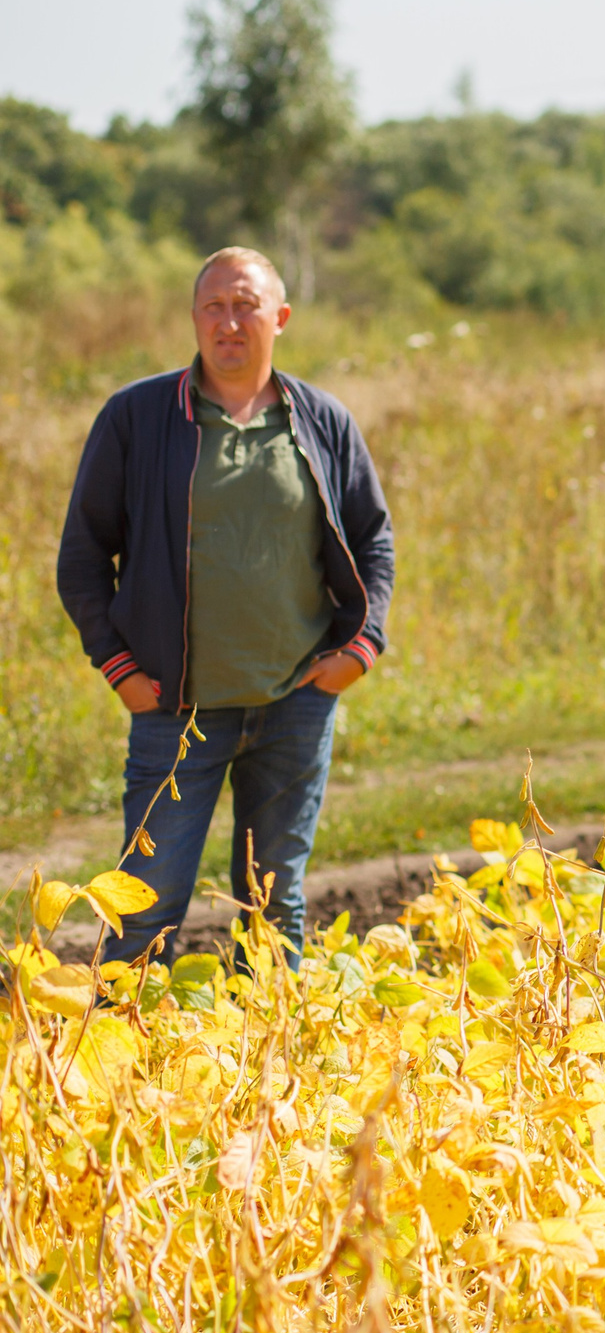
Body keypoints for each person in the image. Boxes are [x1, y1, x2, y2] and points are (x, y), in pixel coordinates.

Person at [57, 247, 395, 966]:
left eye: (246, 305)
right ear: (193, 317)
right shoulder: (137, 418)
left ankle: (266, 1065)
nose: (229, 321)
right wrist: (121, 671)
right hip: (176, 712)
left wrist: (359, 651)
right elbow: (82, 561)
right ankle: (123, 1062)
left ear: (281, 317)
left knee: (276, 905)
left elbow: (373, 541)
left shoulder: (324, 421)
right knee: (144, 908)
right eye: (214, 305)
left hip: (295, 703)